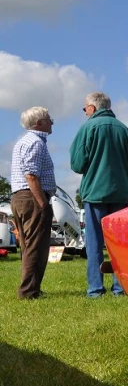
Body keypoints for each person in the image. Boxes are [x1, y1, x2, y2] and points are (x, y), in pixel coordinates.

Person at [70, 92, 128, 298]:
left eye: (84, 109)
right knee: (119, 245)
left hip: (95, 193)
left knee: (94, 243)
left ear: (92, 108)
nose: (85, 113)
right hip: (122, 195)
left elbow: (77, 164)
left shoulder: (87, 128)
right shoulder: (125, 130)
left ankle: (95, 289)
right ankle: (120, 288)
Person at [10, 107, 56, 300]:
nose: (52, 122)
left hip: (20, 197)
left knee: (28, 246)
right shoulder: (35, 142)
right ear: (39, 123)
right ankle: (29, 292)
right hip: (32, 198)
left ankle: (31, 288)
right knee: (36, 246)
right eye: (48, 119)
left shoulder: (24, 141)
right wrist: (43, 203)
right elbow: (31, 174)